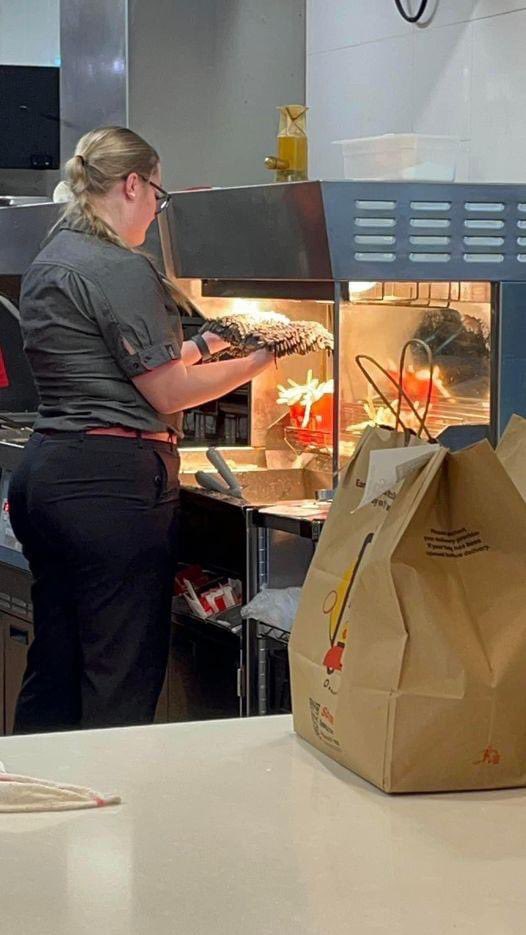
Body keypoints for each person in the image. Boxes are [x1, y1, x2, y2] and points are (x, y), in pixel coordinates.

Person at [8, 126, 274, 734]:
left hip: (49, 477)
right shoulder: (120, 267)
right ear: (133, 184)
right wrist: (265, 357)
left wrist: (211, 343)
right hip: (110, 490)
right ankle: (109, 791)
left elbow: (124, 363)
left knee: (57, 664)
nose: (157, 209)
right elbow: (169, 391)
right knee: (119, 673)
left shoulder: (54, 256)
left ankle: (30, 789)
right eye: (158, 194)